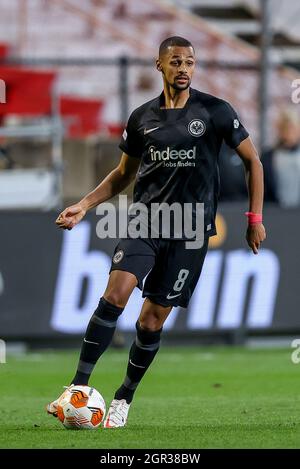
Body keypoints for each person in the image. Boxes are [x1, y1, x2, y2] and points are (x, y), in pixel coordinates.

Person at [47, 36, 266, 428]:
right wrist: (83, 205)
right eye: (176, 61)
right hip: (145, 222)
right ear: (159, 65)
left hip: (190, 233)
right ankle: (77, 387)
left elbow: (254, 162)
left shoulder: (215, 111)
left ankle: (124, 397)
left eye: (190, 62)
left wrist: (255, 219)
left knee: (150, 321)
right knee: (115, 293)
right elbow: (122, 175)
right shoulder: (141, 118)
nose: (184, 68)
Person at [262, 108, 300, 207]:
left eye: (292, 127)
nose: (289, 131)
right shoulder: (268, 157)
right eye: (285, 127)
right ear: (279, 129)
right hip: (276, 213)